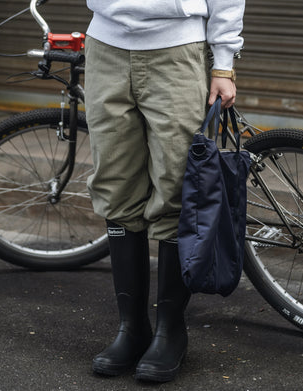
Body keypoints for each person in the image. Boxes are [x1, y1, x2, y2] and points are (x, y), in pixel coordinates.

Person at [84, 0, 245, 383]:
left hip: (176, 50)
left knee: (176, 189)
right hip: (104, 45)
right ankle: (132, 327)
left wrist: (223, 62)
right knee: (116, 186)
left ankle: (170, 330)